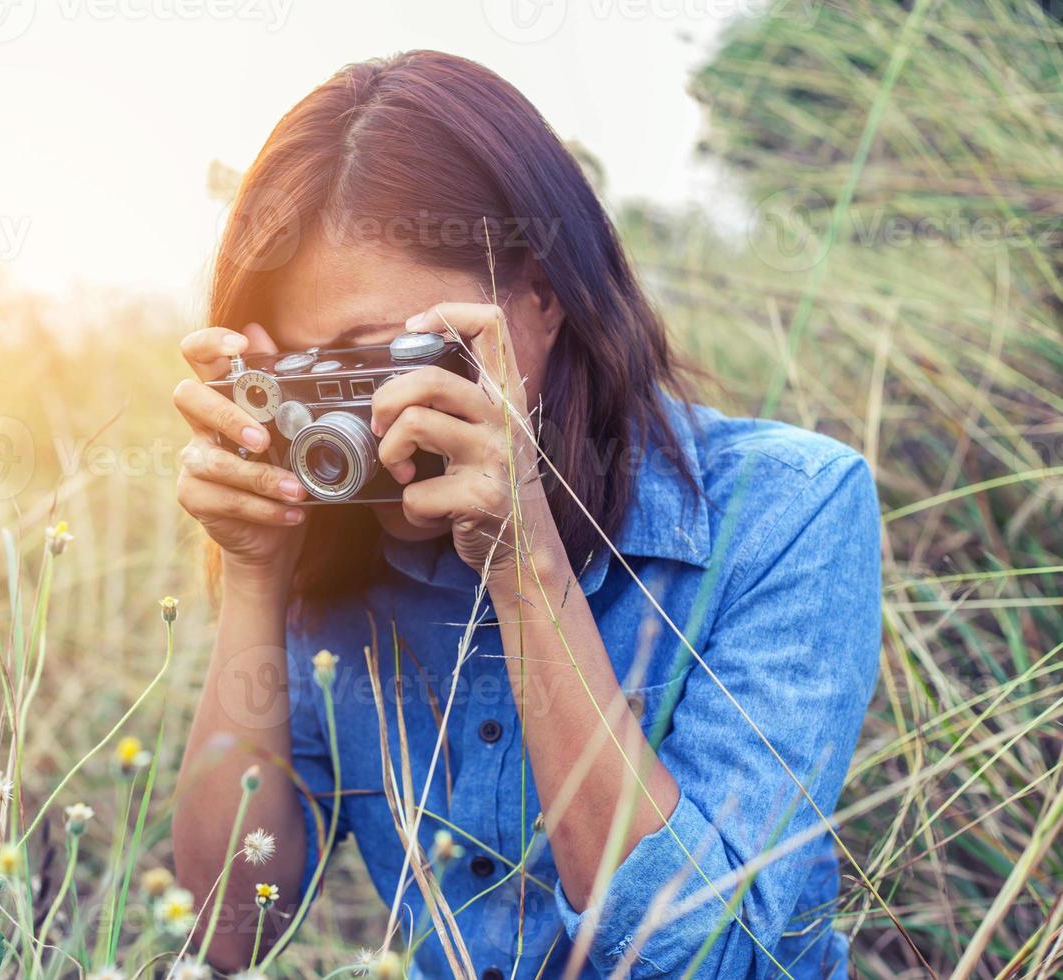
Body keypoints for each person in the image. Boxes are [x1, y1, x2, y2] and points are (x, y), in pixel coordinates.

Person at [171, 50, 880, 980]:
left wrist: (525, 567)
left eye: (383, 362)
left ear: (541, 299)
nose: (359, 427)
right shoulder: (329, 548)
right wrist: (255, 577)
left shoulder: (786, 511)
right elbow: (230, 933)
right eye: (312, 381)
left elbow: (696, 959)